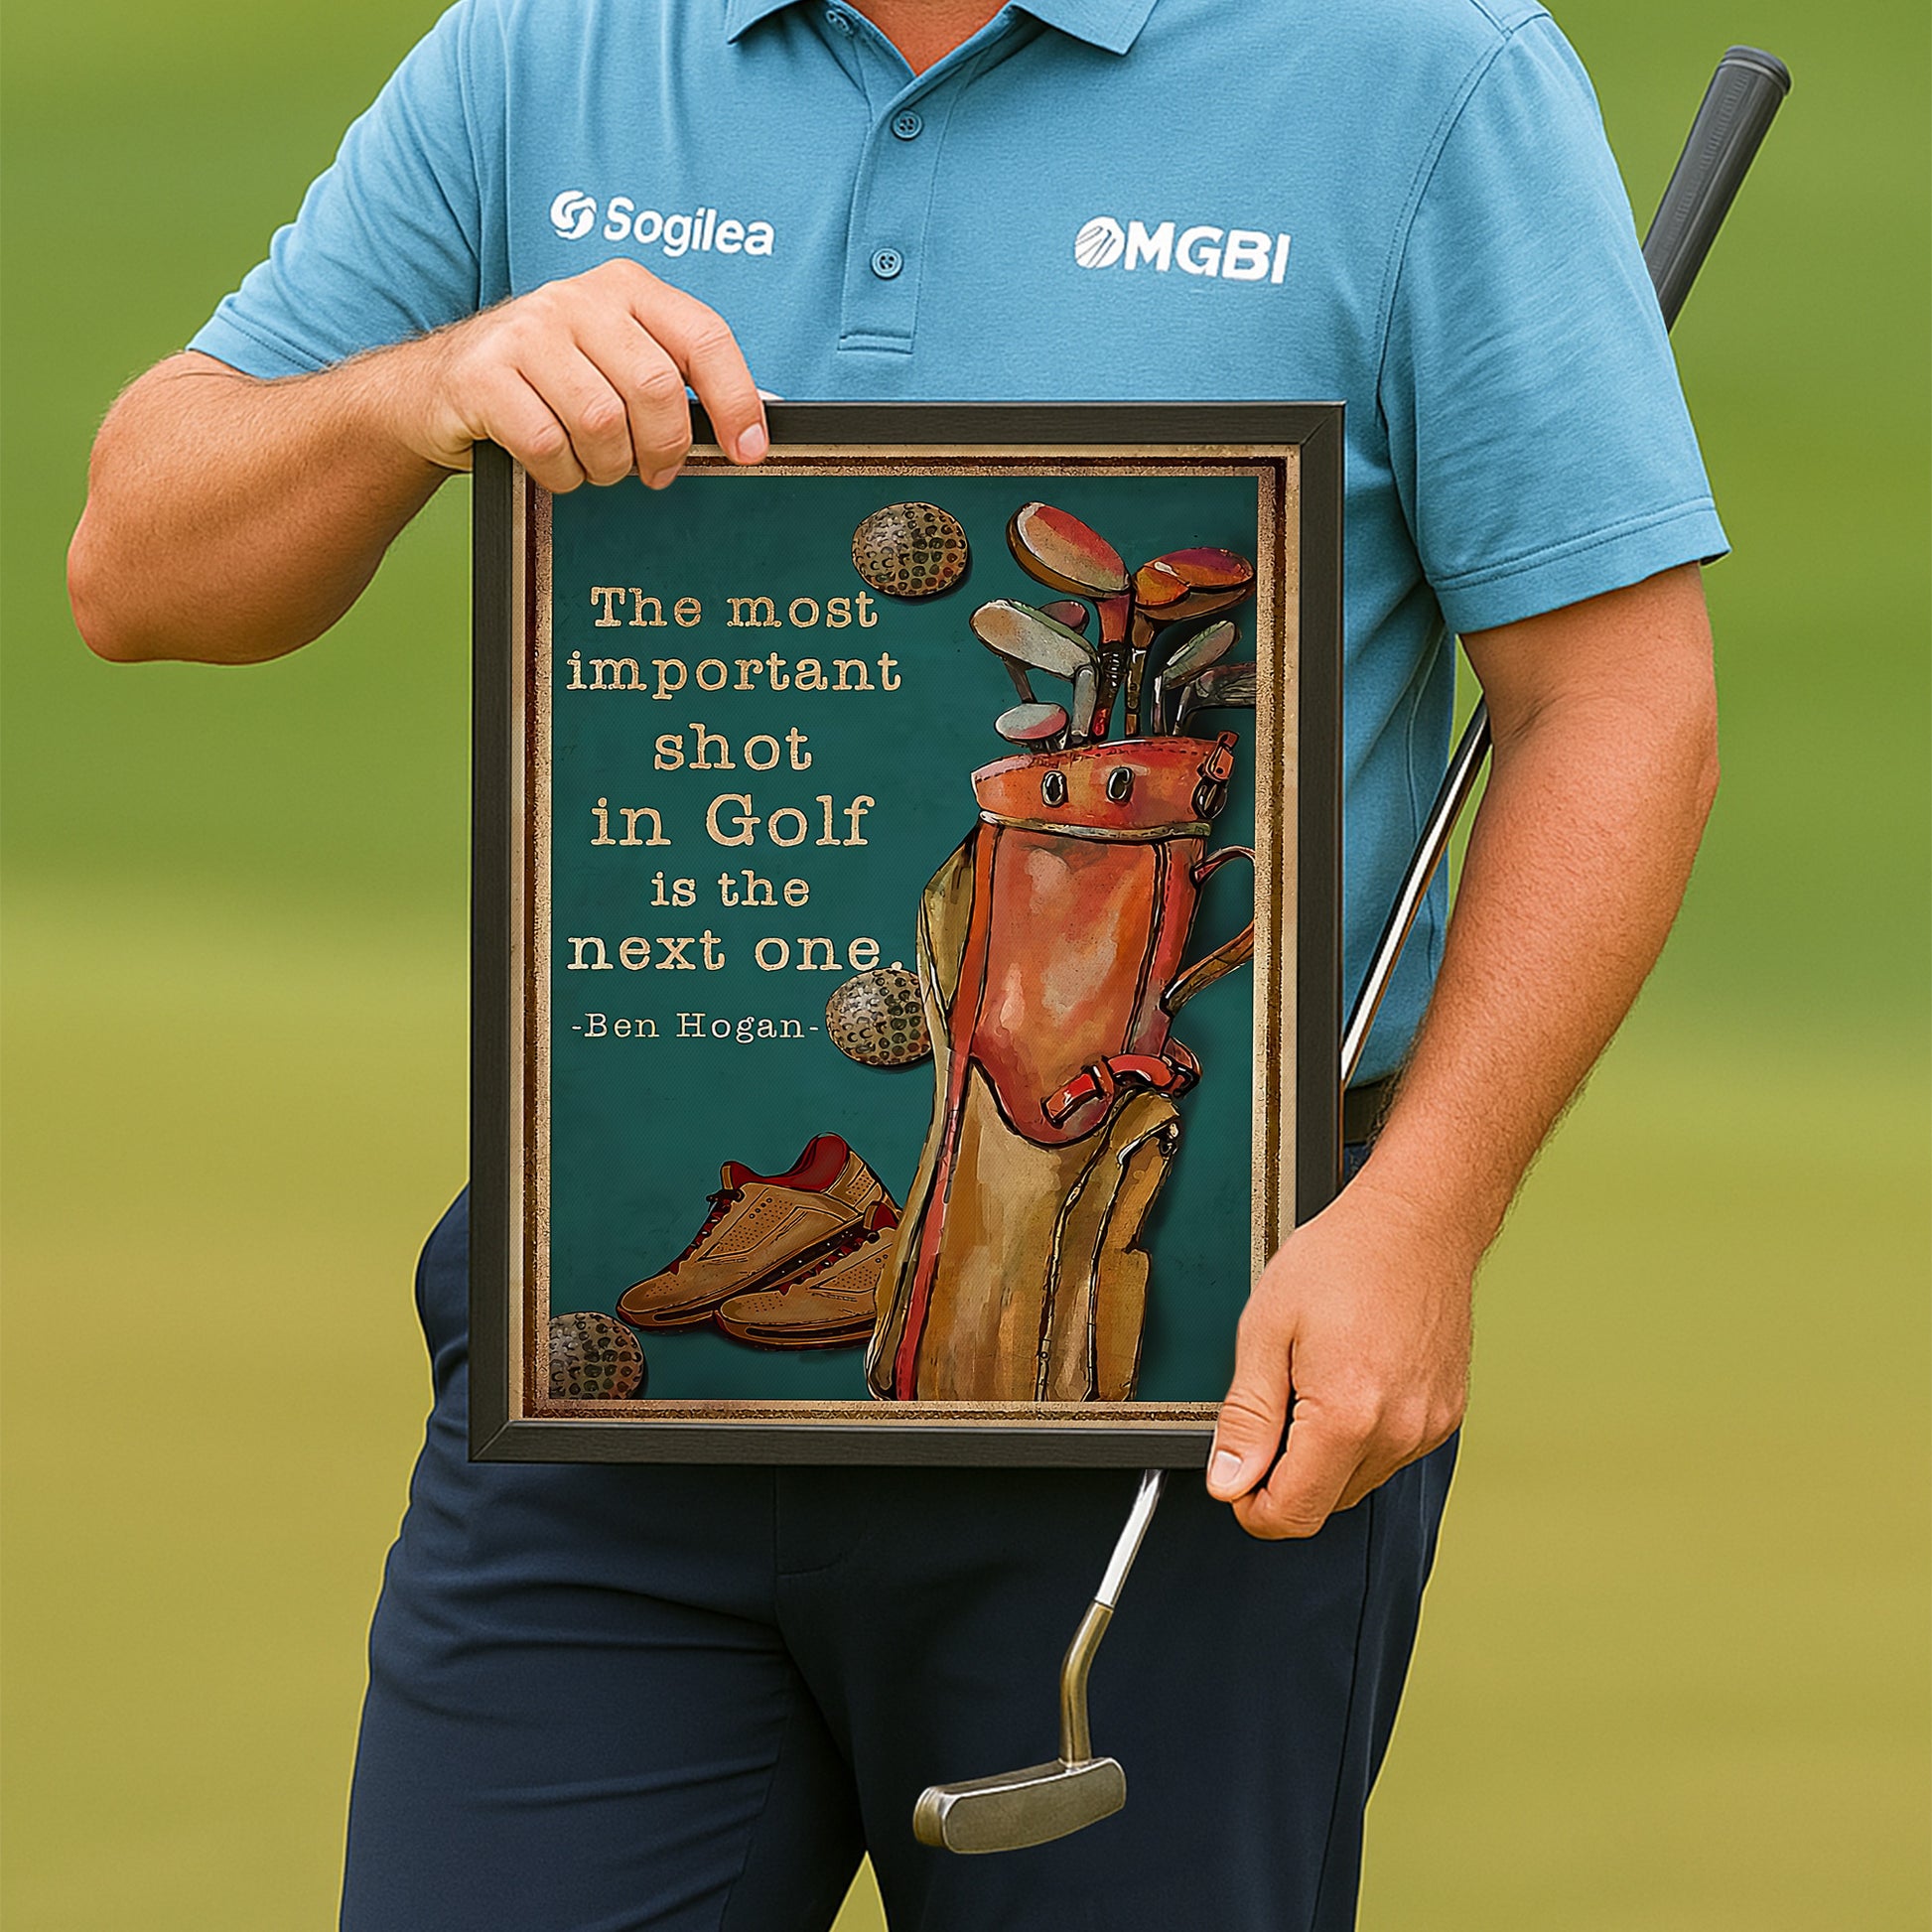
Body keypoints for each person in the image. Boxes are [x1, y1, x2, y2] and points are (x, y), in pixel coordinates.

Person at [66, 1, 1724, 1925]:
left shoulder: (1422, 71)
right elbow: (141, 559)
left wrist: (1421, 1218)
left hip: (1186, 1398)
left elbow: (1614, 705)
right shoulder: (547, 49)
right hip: (607, 1382)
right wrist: (420, 387)